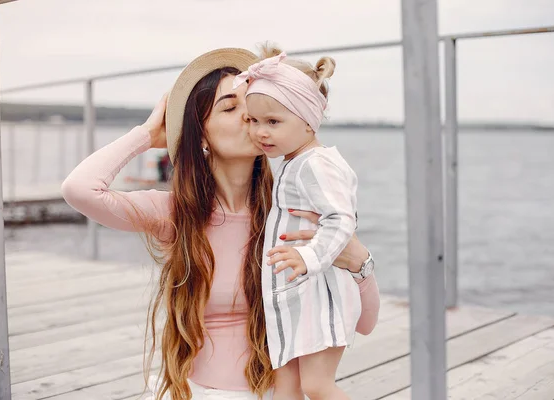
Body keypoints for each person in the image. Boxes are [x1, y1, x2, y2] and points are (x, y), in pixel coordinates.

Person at [61, 47, 380, 400]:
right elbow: (79, 190)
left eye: (255, 107)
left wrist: (359, 263)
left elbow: (364, 324)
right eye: (230, 107)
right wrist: (148, 133)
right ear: (200, 135)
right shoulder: (177, 213)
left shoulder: (294, 213)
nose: (249, 117)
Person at [233, 47, 363, 400]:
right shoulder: (294, 161)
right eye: (253, 121)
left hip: (319, 294)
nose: (261, 132)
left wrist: (308, 257)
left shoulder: (315, 164)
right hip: (295, 296)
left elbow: (341, 219)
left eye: (273, 122)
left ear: (308, 120)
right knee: (285, 386)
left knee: (317, 386)